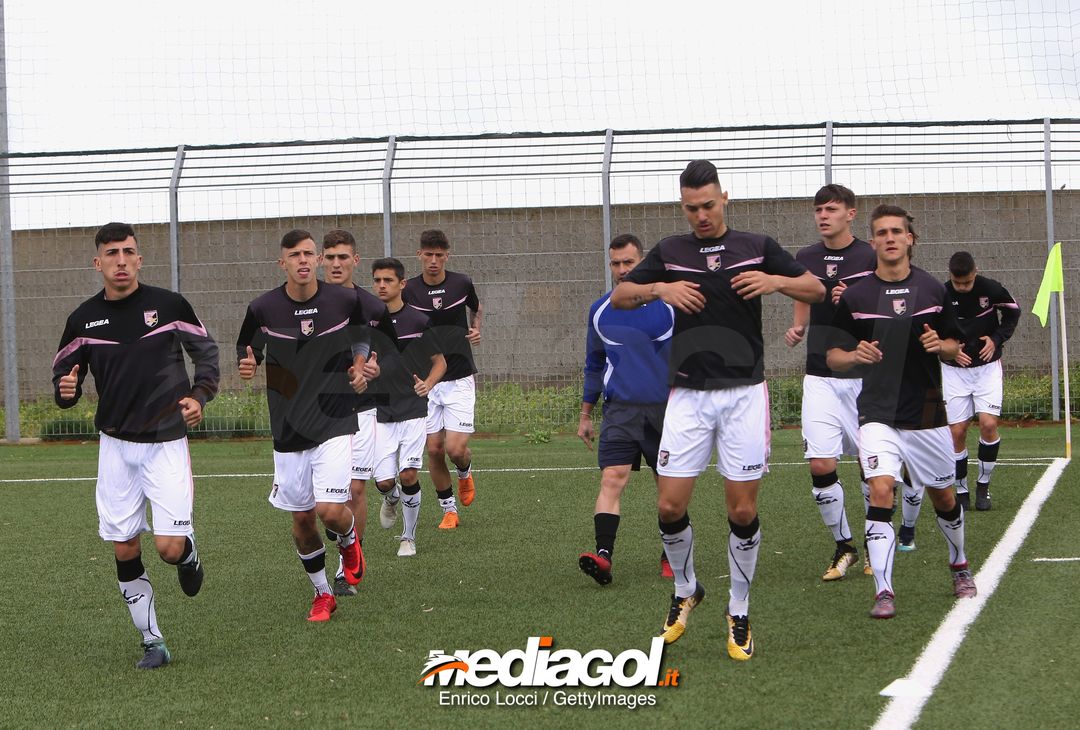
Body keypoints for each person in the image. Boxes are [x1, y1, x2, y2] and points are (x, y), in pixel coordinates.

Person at [611, 160, 825, 661]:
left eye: (708, 205)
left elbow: (815, 289)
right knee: (668, 506)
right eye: (691, 208)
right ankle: (686, 589)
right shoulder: (670, 251)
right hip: (687, 394)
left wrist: (775, 283)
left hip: (744, 394)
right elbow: (621, 295)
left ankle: (740, 606)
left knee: (742, 509)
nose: (701, 215)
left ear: (724, 197)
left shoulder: (757, 246)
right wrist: (659, 289)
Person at [52, 222, 220, 670]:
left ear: (140, 259)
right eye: (112, 253)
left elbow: (206, 354)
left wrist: (199, 396)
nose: (121, 260)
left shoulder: (168, 305)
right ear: (98, 262)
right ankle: (153, 642)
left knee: (167, 547)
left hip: (165, 441)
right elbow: (64, 378)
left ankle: (189, 552)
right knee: (124, 547)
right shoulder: (82, 319)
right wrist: (65, 391)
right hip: (115, 447)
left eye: (128, 251)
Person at [826, 204, 977, 620]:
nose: (889, 237)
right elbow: (833, 357)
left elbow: (955, 345)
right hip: (876, 412)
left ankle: (959, 564)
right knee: (880, 490)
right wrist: (853, 354)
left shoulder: (933, 290)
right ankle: (884, 590)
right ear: (872, 240)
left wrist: (941, 347)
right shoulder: (856, 296)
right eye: (881, 232)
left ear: (910, 238)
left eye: (897, 231)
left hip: (926, 412)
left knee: (944, 496)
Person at [236, 229, 369, 622]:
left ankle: (348, 541)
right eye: (295, 255)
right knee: (302, 519)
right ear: (283, 263)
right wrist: (248, 365)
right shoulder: (263, 308)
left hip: (334, 419)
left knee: (330, 509)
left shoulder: (345, 300)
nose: (305, 260)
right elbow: (248, 350)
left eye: (310, 253)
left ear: (321, 260)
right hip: (289, 429)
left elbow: (363, 338)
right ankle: (323, 593)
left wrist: (360, 365)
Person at [785, 184, 877, 581]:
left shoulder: (870, 255)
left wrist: (856, 296)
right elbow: (802, 291)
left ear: (851, 213)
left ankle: (878, 541)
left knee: (870, 465)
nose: (824, 215)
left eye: (832, 209)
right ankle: (844, 547)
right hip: (820, 375)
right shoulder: (805, 256)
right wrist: (799, 325)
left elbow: (888, 302)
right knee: (821, 463)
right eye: (819, 209)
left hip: (864, 376)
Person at [577, 234, 676, 585]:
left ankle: (672, 553)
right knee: (612, 478)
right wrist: (586, 414)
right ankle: (603, 557)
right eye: (615, 263)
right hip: (620, 411)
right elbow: (593, 363)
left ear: (642, 261)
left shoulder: (669, 305)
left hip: (667, 411)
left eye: (628, 263)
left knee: (668, 488)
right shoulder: (600, 310)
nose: (621, 270)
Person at [321, 229, 396, 595]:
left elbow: (391, 353)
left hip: (362, 409)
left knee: (353, 488)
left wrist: (378, 369)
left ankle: (348, 564)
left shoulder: (373, 307)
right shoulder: (307, 302)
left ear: (355, 260)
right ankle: (339, 533)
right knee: (322, 502)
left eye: (343, 257)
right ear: (321, 260)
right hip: (315, 412)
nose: (336, 264)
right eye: (330, 257)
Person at [403, 230, 482, 529]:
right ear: (419, 255)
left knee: (455, 449)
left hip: (460, 375)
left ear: (447, 255)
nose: (433, 260)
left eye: (439, 255)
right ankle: (449, 509)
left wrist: (476, 328)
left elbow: (477, 307)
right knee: (434, 449)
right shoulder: (408, 289)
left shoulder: (462, 283)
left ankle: (464, 471)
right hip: (425, 380)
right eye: (428, 254)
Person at [370, 257, 447, 557]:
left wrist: (428, 384)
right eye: (377, 280)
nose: (381, 285)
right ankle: (390, 499)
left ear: (402, 284)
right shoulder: (370, 322)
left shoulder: (418, 321)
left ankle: (408, 537)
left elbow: (440, 362)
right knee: (385, 482)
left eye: (388, 280)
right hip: (381, 411)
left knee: (409, 475)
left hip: (414, 408)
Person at [943, 251, 1020, 511]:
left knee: (988, 424)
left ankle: (983, 486)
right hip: (954, 372)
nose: (963, 288)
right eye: (957, 283)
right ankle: (961, 488)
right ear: (950, 277)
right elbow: (927, 328)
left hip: (987, 369)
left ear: (975, 273)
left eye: (967, 282)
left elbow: (1013, 313)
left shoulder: (991, 289)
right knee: (957, 431)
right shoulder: (941, 295)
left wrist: (996, 339)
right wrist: (948, 348)